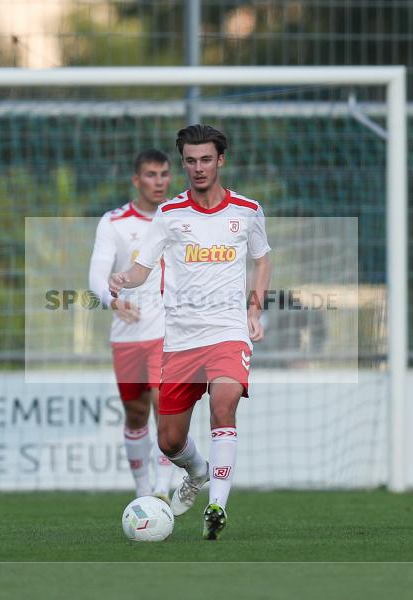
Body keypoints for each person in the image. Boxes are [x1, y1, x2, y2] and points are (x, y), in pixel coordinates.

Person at [109, 125, 272, 540]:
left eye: (206, 159)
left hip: (228, 332)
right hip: (181, 341)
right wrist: (122, 280)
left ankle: (217, 504)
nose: (198, 168)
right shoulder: (168, 215)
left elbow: (262, 260)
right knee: (168, 441)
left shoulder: (247, 211)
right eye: (190, 161)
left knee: (224, 404)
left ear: (221, 160)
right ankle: (196, 472)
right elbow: (142, 268)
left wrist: (254, 310)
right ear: (183, 162)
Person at [88, 149, 175, 502]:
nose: (159, 182)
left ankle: (162, 490)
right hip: (127, 335)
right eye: (151, 175)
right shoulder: (114, 222)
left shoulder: (179, 217)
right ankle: (143, 493)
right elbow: (96, 275)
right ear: (136, 180)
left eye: (165, 174)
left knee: (164, 406)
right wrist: (112, 301)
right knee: (136, 414)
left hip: (168, 332)